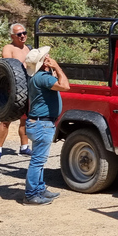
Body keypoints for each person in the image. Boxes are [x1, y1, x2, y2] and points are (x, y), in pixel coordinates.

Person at [23, 47, 70, 205]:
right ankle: (31, 194)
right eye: (46, 57)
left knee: (39, 160)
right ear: (42, 63)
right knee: (37, 161)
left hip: (38, 123)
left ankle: (39, 189)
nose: (49, 56)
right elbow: (65, 86)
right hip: (42, 124)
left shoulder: (38, 76)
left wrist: (53, 70)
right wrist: (57, 67)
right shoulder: (43, 77)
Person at [0, 23, 32, 162]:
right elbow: (8, 65)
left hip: (27, 88)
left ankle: (24, 147)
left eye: (24, 33)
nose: (23, 36)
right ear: (12, 36)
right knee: (5, 120)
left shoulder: (29, 48)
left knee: (24, 119)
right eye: (19, 34)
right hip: (12, 89)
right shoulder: (9, 48)